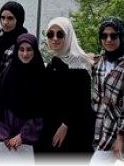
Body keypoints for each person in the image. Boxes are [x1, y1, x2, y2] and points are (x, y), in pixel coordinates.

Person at [39, 16, 95, 156]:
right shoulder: (55, 61)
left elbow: (82, 102)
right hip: (53, 125)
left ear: (68, 36)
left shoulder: (78, 63)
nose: (55, 38)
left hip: (73, 130)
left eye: (60, 34)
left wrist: (65, 125)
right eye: (50, 34)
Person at [89, 17, 124, 165]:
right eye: (104, 36)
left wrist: (121, 137)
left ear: (122, 36)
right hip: (98, 127)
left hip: (116, 129)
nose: (108, 40)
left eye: (113, 36)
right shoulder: (99, 62)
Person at [0, 34, 45, 157]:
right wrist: (4, 135)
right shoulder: (7, 74)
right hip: (7, 136)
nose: (25, 54)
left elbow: (41, 110)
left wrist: (23, 136)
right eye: (21, 49)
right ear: (16, 50)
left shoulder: (41, 76)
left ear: (35, 50)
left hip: (30, 138)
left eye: (29, 49)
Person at [0, 1, 28, 92]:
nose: (5, 22)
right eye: (2, 18)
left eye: (10, 18)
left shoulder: (24, 42)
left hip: (14, 92)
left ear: (18, 19)